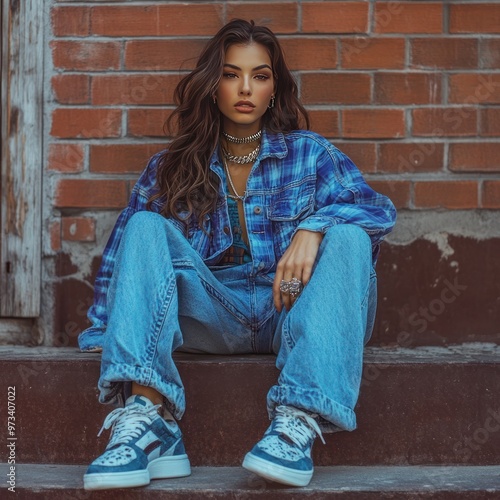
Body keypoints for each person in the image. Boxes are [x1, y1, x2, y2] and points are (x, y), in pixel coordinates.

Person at [79, 19, 396, 491]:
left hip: (293, 311)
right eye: (231, 74)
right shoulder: (171, 166)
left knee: (349, 234)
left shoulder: (309, 155)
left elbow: (377, 209)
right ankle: (150, 418)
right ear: (212, 86)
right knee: (146, 224)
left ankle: (297, 419)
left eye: (260, 76)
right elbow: (127, 253)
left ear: (275, 89)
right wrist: (109, 329)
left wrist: (313, 228)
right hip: (215, 314)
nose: (245, 88)